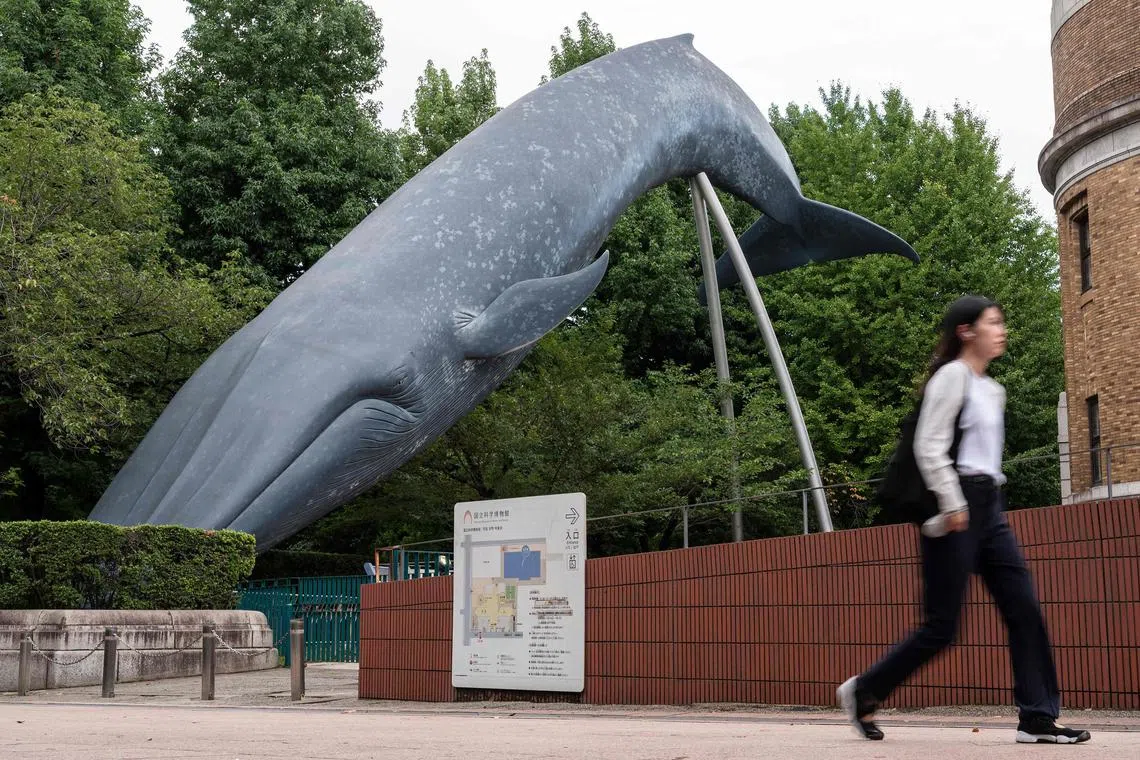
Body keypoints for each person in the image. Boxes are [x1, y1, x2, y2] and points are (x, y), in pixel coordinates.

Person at [837, 295, 1091, 745]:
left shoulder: (993, 389)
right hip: (955, 506)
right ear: (966, 331)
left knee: (1025, 609)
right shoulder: (952, 378)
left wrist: (987, 501)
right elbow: (929, 445)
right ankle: (864, 690)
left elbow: (986, 458)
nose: (1002, 330)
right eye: (993, 323)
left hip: (989, 508)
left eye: (1002, 323)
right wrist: (954, 504)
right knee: (942, 626)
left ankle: (1037, 719)